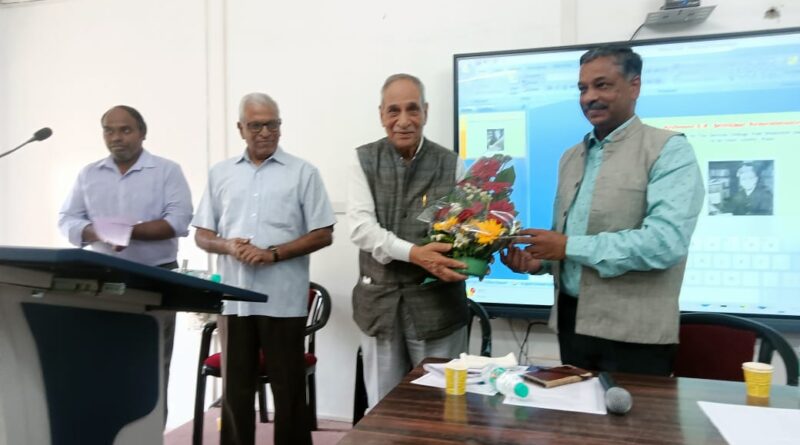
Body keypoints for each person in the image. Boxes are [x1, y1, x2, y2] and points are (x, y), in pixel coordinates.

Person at [500, 46, 705, 376]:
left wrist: (567, 247)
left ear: (634, 86)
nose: (589, 97)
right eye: (582, 88)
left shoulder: (669, 151)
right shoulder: (570, 157)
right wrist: (540, 262)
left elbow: (666, 243)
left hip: (635, 334)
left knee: (632, 427)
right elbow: (571, 247)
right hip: (572, 324)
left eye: (602, 85)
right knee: (576, 426)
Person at [192, 92, 335, 445]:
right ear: (241, 128)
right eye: (255, 125)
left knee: (289, 393)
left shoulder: (304, 173)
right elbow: (202, 235)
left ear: (280, 127)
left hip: (283, 301)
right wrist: (228, 245)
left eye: (272, 124)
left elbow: (323, 233)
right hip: (234, 302)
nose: (264, 132)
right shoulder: (220, 174)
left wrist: (273, 254)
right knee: (236, 392)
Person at [58, 105, 193, 421]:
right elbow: (67, 220)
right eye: (109, 130)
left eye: (125, 130)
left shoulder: (166, 171)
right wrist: (98, 232)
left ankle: (149, 436)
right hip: (101, 281)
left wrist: (125, 233)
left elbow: (178, 221)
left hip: (155, 280)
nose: (116, 137)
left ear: (142, 133)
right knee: (104, 363)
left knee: (152, 366)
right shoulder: (89, 174)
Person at [347, 73, 470, 407]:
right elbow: (360, 228)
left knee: (441, 409)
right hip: (379, 307)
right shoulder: (363, 160)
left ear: (426, 112)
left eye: (412, 109)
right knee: (383, 410)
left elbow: (464, 232)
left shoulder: (453, 164)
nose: (403, 121)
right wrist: (416, 254)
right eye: (393, 111)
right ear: (381, 114)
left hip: (438, 309)